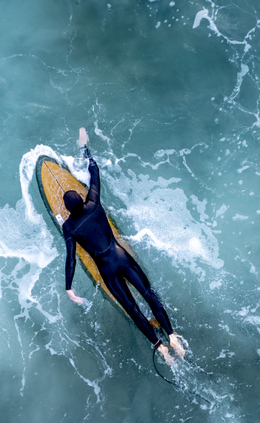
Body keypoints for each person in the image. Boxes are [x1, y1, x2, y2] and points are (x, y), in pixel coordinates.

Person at [63, 128, 186, 363]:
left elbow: (70, 258)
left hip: (107, 270)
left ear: (68, 210)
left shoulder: (69, 228)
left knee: (132, 308)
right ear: (82, 199)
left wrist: (69, 287)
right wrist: (83, 147)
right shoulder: (94, 202)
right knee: (149, 294)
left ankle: (159, 346)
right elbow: (94, 171)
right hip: (121, 256)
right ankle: (172, 336)